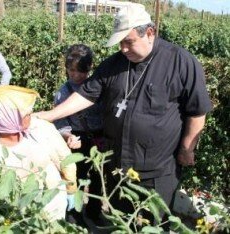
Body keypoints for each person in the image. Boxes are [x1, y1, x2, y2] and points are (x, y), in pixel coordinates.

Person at [34, 2, 212, 228]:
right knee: (120, 223)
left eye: (129, 42)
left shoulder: (180, 62)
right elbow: (87, 94)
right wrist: (50, 115)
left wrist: (187, 148)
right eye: (120, 43)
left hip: (157, 170)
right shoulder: (113, 65)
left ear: (149, 33)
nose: (124, 49)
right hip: (118, 166)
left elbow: (197, 110)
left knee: (153, 225)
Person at [0, 85, 77, 221]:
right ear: (6, 119)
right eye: (26, 114)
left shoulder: (41, 128)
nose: (31, 114)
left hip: (53, 201)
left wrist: (71, 188)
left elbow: (66, 159)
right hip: (15, 212)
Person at [54, 44, 103, 226]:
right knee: (77, 176)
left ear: (90, 67)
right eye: (71, 70)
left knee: (99, 175)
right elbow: (60, 119)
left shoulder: (97, 86)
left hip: (99, 137)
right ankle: (75, 212)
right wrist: (67, 136)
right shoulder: (64, 91)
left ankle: (94, 210)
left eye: (80, 71)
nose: (75, 75)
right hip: (77, 138)